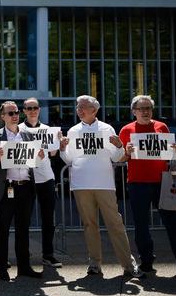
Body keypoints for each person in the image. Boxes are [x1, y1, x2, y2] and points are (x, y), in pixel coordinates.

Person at [60, 95, 143, 278]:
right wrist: (62, 148)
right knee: (90, 225)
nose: (79, 110)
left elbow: (117, 157)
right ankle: (94, 264)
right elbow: (69, 159)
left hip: (104, 184)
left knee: (115, 224)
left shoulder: (107, 129)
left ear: (94, 110)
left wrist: (120, 146)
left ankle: (128, 265)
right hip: (81, 184)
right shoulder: (73, 131)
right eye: (78, 107)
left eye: (83, 107)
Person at [119, 95, 176, 274]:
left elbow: (171, 157)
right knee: (141, 224)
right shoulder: (126, 130)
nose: (145, 112)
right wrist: (127, 152)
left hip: (162, 182)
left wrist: (175, 151)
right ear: (134, 111)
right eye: (141, 109)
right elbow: (121, 158)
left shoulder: (161, 127)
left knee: (174, 223)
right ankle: (146, 261)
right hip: (137, 183)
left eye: (148, 108)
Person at [0, 101, 44, 281]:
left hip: (25, 187)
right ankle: (2, 269)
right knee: (2, 230)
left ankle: (24, 267)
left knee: (23, 230)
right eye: (10, 113)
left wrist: (39, 157)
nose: (14, 115)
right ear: (2, 116)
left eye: (16, 112)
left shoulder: (28, 135)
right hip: (6, 188)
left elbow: (33, 160)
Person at [18, 98, 63, 268]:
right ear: (24, 111)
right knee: (24, 219)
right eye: (29, 108)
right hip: (26, 179)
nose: (32, 111)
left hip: (46, 178)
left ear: (39, 110)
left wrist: (60, 142)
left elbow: (53, 154)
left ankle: (48, 254)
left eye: (35, 107)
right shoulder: (18, 130)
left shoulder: (48, 130)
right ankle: (24, 254)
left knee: (48, 220)